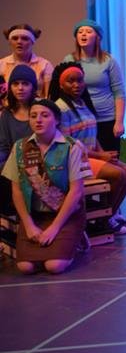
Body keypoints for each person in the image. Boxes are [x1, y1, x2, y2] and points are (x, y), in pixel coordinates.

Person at [2, 99, 91, 274]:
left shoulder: (72, 147)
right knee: (25, 267)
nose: (38, 120)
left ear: (56, 120)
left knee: (54, 266)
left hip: (65, 215)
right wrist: (28, 225)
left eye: (45, 115)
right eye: (33, 116)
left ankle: (77, 239)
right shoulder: (20, 147)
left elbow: (76, 191)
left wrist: (54, 228)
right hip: (35, 216)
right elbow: (16, 190)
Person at [49, 61, 126, 236]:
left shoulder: (83, 103)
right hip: (75, 161)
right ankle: (104, 221)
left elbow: (92, 135)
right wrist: (100, 156)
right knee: (118, 175)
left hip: (91, 157)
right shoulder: (60, 109)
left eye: (79, 80)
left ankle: (111, 214)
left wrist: (103, 153)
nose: (76, 84)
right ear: (61, 84)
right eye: (70, 81)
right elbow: (69, 144)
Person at [63, 19, 126, 153]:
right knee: (84, 160)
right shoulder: (69, 60)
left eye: (88, 31)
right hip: (81, 120)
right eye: (80, 32)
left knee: (110, 161)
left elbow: (119, 93)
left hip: (106, 119)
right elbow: (63, 91)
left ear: (97, 37)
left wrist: (119, 122)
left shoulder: (109, 60)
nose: (83, 34)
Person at [0, 65, 38, 214]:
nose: (20, 88)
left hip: (38, 162)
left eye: (25, 83)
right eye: (16, 84)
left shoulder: (40, 110)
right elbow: (3, 147)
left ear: (33, 87)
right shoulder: (7, 114)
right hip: (13, 163)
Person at [1, 24, 54, 98]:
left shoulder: (45, 65)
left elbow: (48, 97)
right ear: (10, 42)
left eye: (25, 38)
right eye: (15, 38)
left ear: (32, 41)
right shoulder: (1, 64)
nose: (19, 42)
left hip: (37, 104)